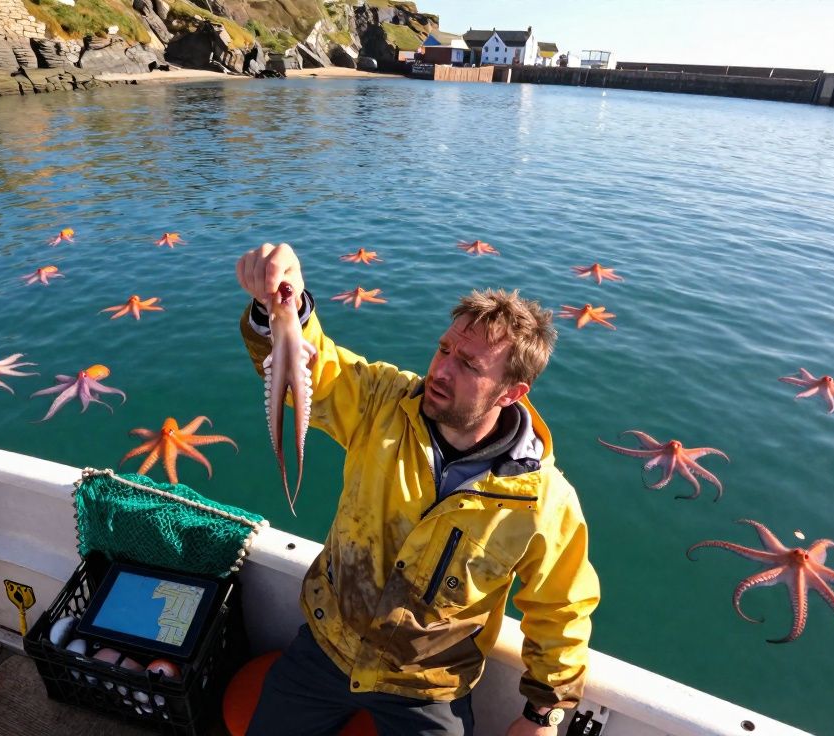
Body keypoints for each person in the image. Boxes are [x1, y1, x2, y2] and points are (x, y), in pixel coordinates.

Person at [235, 243, 600, 736]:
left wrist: (543, 713)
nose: (441, 369)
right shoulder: (384, 402)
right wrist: (279, 306)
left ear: (511, 392)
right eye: (444, 349)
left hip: (428, 685)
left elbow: (561, 608)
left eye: (469, 366)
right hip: (328, 646)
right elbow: (316, 373)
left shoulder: (542, 502)